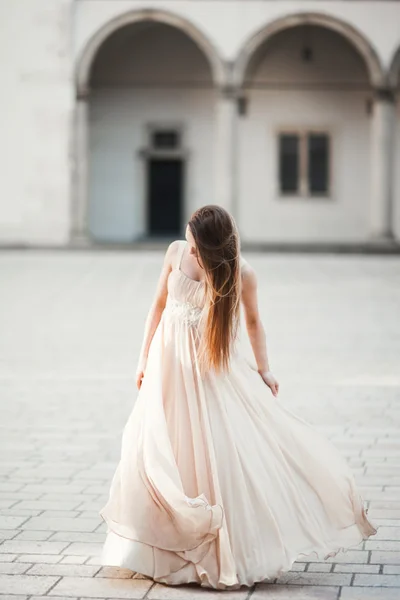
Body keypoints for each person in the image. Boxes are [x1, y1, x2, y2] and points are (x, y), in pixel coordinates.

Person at [99, 204, 378, 589]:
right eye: (190, 243)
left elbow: (252, 322)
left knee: (210, 449)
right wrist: (142, 358)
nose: (191, 252)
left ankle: (221, 542)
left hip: (206, 372)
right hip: (168, 368)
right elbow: (158, 306)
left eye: (198, 248)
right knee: (156, 447)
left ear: (215, 250)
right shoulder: (175, 252)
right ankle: (158, 544)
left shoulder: (241, 274)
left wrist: (265, 369)